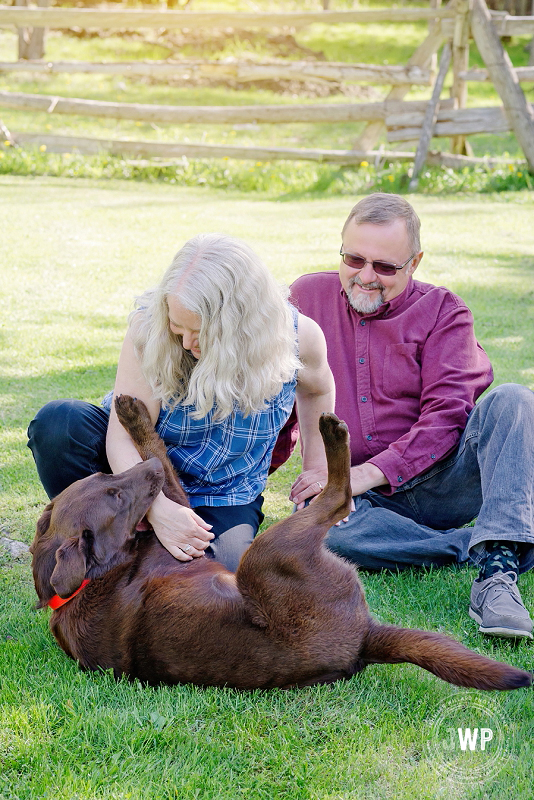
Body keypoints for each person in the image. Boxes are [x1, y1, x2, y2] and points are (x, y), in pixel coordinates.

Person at [284, 193, 534, 640]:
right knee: (326, 536)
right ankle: (488, 545)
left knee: (514, 400)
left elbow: (446, 420)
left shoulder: (445, 312)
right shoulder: (303, 299)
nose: (365, 276)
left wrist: (360, 474)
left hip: (445, 481)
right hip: (364, 503)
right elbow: (278, 393)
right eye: (354, 258)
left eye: (384, 267)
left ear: (414, 262)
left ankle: (497, 574)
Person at [28, 233, 334, 573]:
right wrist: (155, 508)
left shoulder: (296, 337)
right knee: (59, 426)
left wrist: (318, 466)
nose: (187, 342)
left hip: (222, 491)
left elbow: (317, 390)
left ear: (240, 326)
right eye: (178, 327)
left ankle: (137, 546)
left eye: (201, 332)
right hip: (135, 469)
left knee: (219, 579)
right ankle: (97, 540)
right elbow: (123, 437)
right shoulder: (149, 328)